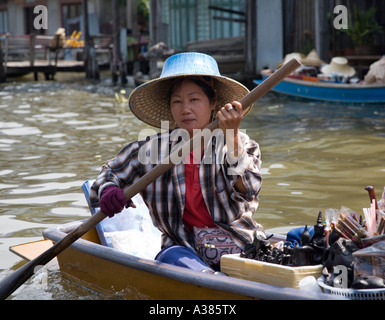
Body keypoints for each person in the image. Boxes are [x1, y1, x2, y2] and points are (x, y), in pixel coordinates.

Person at [89, 52, 265, 273]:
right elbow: (108, 173)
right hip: (183, 252)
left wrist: (232, 138)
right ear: (170, 107)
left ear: (212, 103)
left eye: (194, 99)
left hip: (240, 247)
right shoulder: (152, 149)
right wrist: (109, 190)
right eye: (177, 101)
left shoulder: (241, 143)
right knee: (171, 255)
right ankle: (208, 281)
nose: (185, 109)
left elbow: (249, 189)